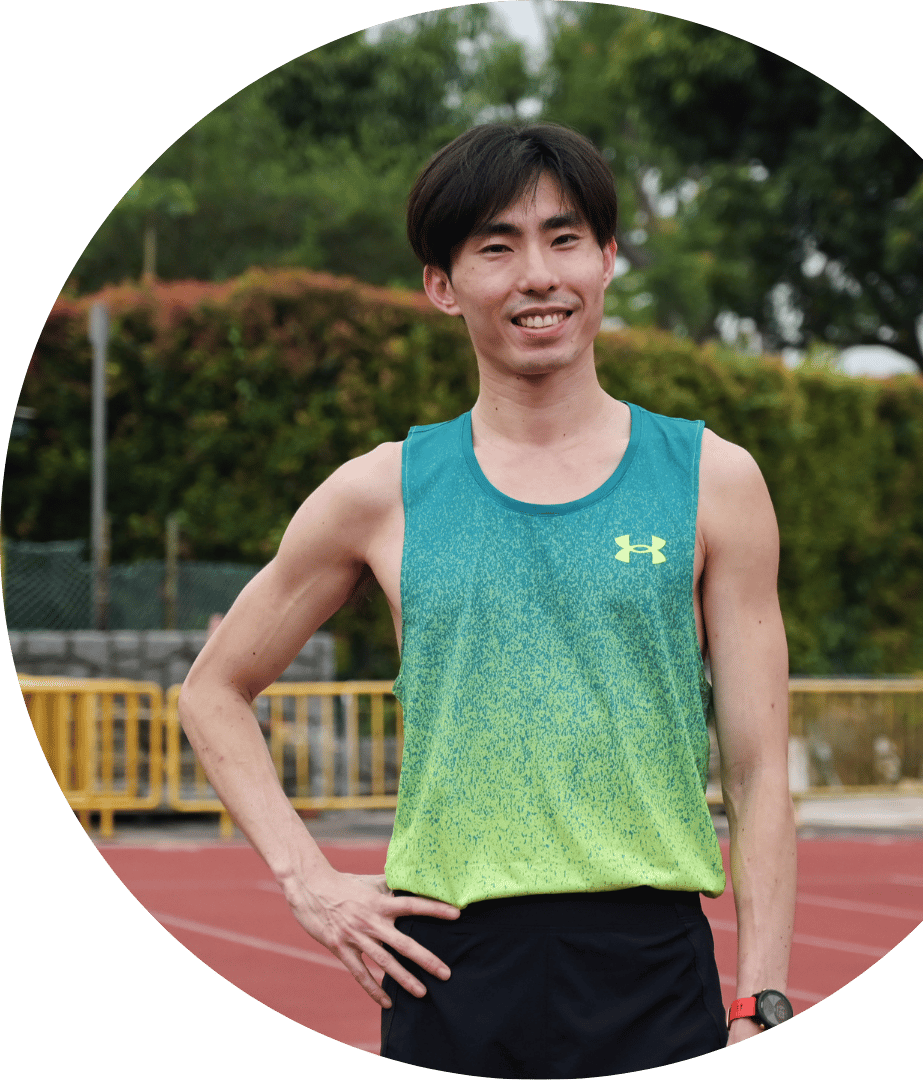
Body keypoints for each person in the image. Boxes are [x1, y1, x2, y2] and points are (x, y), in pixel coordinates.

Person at [179, 122, 796, 1077]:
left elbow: (758, 772)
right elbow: (211, 690)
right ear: (442, 284)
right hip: (446, 969)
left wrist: (762, 1001)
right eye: (496, 247)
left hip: (653, 969)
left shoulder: (714, 480)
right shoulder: (378, 493)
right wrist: (311, 885)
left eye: (564, 238)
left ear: (607, 260)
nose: (537, 275)